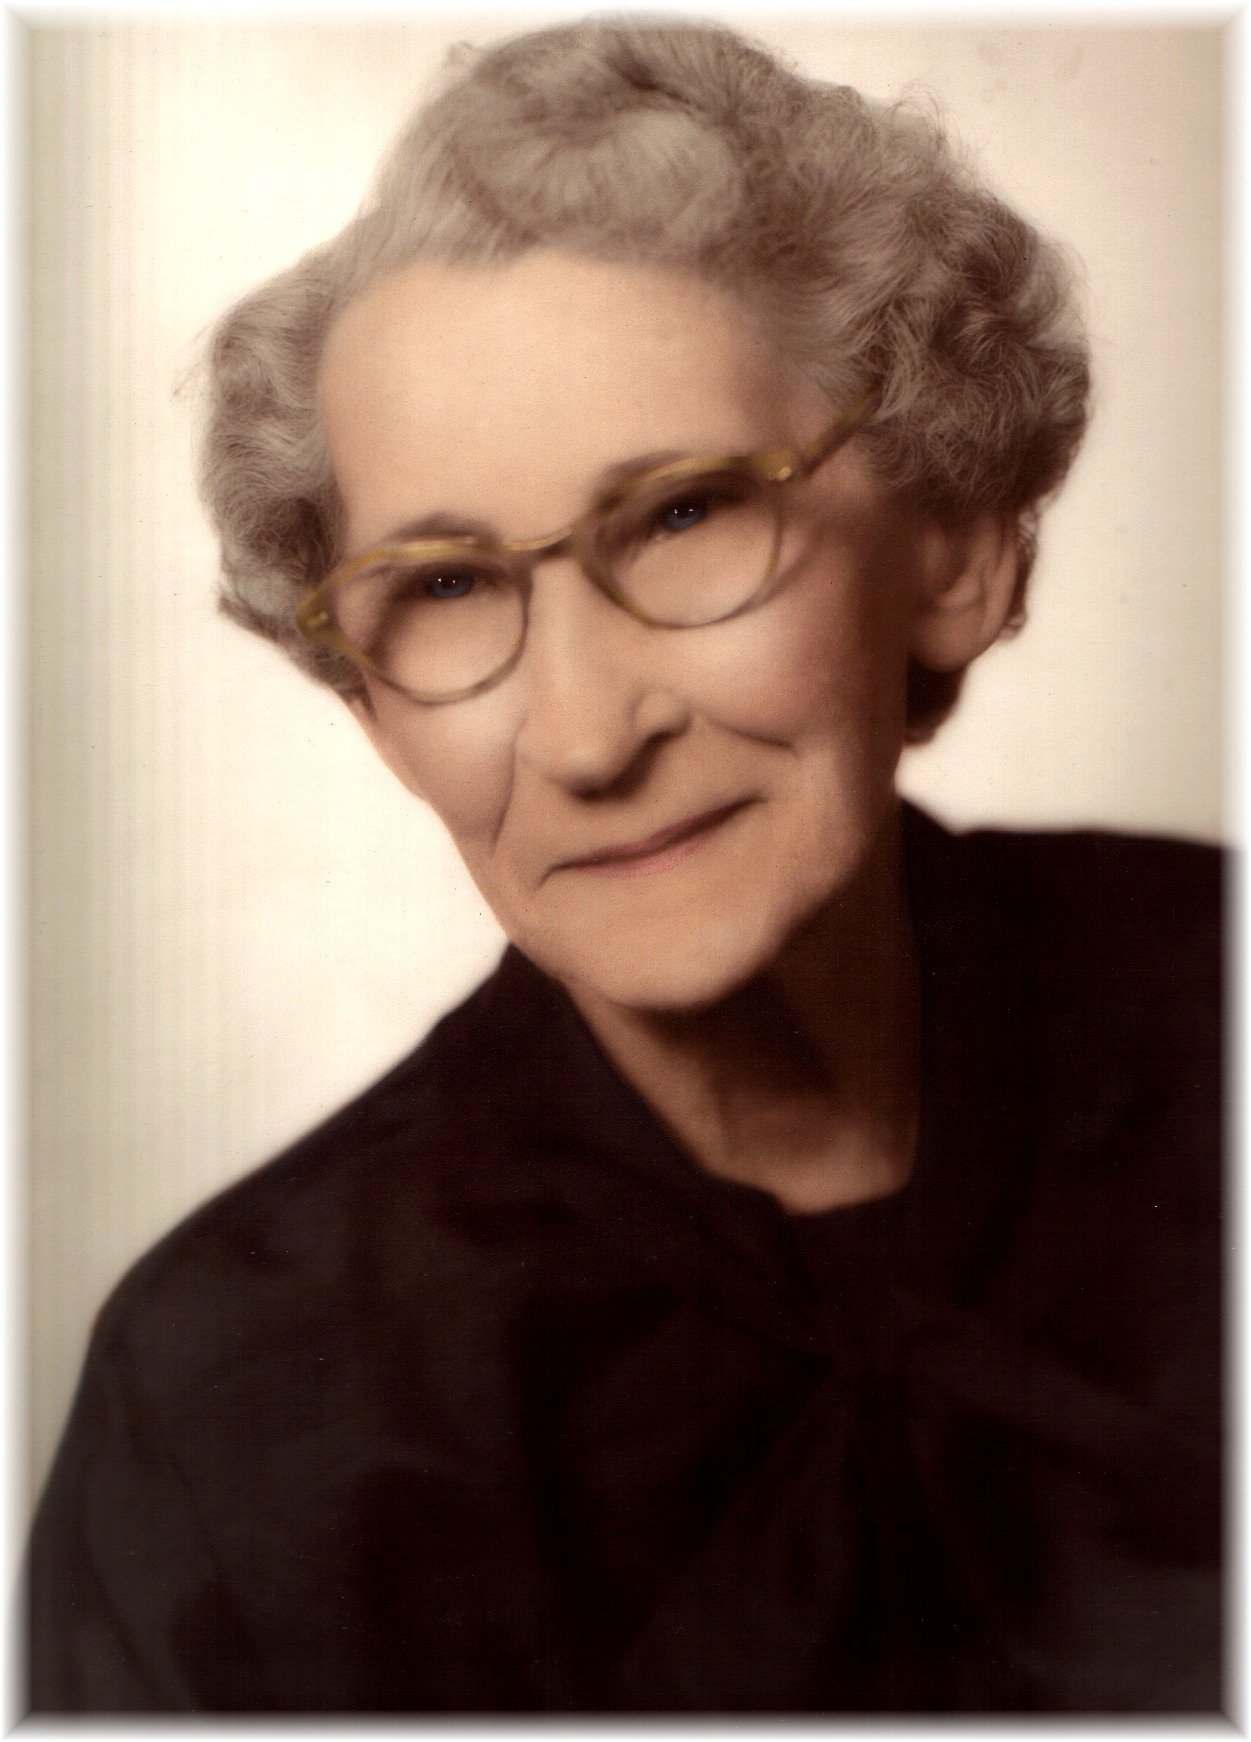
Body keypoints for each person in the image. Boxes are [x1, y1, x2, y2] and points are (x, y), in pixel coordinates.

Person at [28, 15, 1221, 1714]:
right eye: (445, 589)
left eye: (682, 513)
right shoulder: (222, 1405)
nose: (588, 736)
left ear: (956, 541)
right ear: (372, 711)